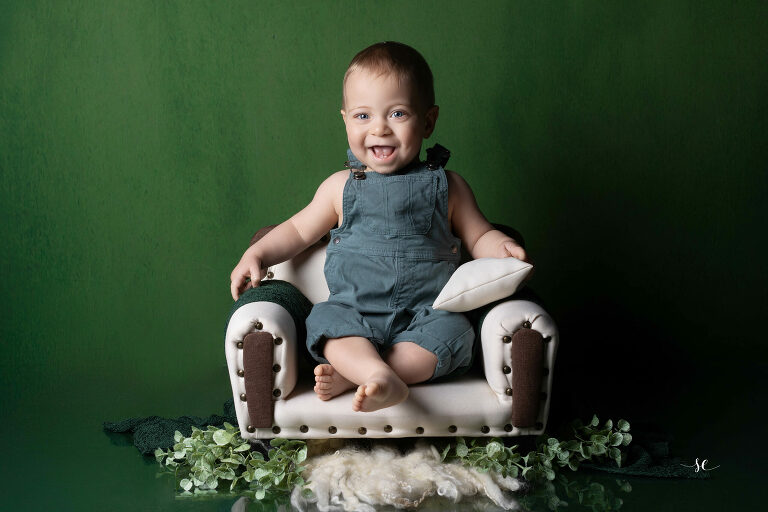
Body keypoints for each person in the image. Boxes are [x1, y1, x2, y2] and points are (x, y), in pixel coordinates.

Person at [230, 41, 529, 413]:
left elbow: (479, 234)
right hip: (354, 313)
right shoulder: (339, 186)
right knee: (326, 321)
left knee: (456, 333)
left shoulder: (449, 186)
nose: (379, 129)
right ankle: (373, 372)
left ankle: (368, 375)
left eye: (398, 113)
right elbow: (296, 231)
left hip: (427, 315)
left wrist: (501, 247)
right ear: (345, 119)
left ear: (428, 121)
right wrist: (256, 253)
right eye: (362, 116)